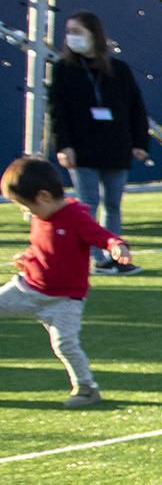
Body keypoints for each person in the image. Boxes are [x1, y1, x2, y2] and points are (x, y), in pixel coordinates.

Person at [1, 154, 132, 406]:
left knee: (65, 344)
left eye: (25, 206)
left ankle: (86, 389)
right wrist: (27, 256)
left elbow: (101, 235)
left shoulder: (75, 217)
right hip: (27, 289)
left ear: (44, 197)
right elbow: (42, 246)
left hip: (64, 301)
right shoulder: (41, 217)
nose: (24, 212)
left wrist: (117, 245)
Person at [47, 9, 149, 276]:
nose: (72, 37)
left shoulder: (119, 69)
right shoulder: (64, 69)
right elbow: (57, 110)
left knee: (113, 203)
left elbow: (135, 107)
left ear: (94, 34)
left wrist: (140, 142)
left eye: (77, 32)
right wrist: (63, 145)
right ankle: (94, 258)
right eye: (69, 32)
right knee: (88, 202)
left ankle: (116, 255)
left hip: (115, 146)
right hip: (81, 148)